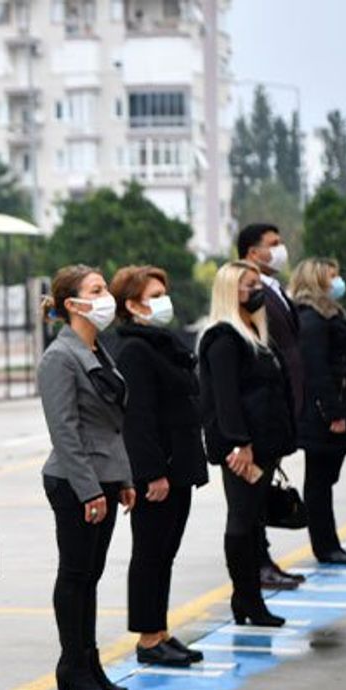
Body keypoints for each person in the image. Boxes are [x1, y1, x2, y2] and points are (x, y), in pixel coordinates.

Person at [37, 265, 136, 690]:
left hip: (105, 478)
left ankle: (87, 662)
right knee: (75, 576)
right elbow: (65, 430)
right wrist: (90, 490)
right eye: (96, 290)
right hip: (75, 482)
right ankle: (74, 666)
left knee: (90, 578)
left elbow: (111, 425)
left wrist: (123, 478)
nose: (106, 297)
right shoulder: (60, 357)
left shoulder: (95, 350)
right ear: (73, 304)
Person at [110, 266, 208, 668]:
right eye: (154, 295)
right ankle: (148, 638)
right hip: (160, 469)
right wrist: (151, 472)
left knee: (165, 552)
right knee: (150, 553)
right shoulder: (135, 350)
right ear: (132, 306)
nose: (164, 300)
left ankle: (160, 630)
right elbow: (138, 418)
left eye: (163, 292)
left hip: (179, 464)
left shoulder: (162, 343)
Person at [199, 261, 297, 627]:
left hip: (264, 444)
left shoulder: (254, 332)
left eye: (258, 284)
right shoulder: (224, 338)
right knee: (242, 520)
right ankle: (247, 598)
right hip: (243, 448)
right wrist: (240, 443)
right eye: (249, 285)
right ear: (230, 291)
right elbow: (225, 398)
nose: (258, 291)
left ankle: (248, 597)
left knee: (254, 519)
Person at [238, 223, 306, 590]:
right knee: (252, 498)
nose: (280, 250)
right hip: (262, 415)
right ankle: (257, 564)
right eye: (273, 244)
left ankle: (262, 560)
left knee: (261, 492)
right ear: (252, 252)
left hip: (284, 404)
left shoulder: (276, 290)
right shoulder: (251, 296)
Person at [289, 258, 346, 564]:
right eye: (331, 277)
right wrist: (333, 413)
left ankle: (327, 544)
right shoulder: (312, 320)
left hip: (342, 411)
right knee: (319, 482)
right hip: (327, 417)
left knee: (323, 480)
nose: (338, 282)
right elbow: (316, 371)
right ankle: (325, 545)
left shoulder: (327, 315)